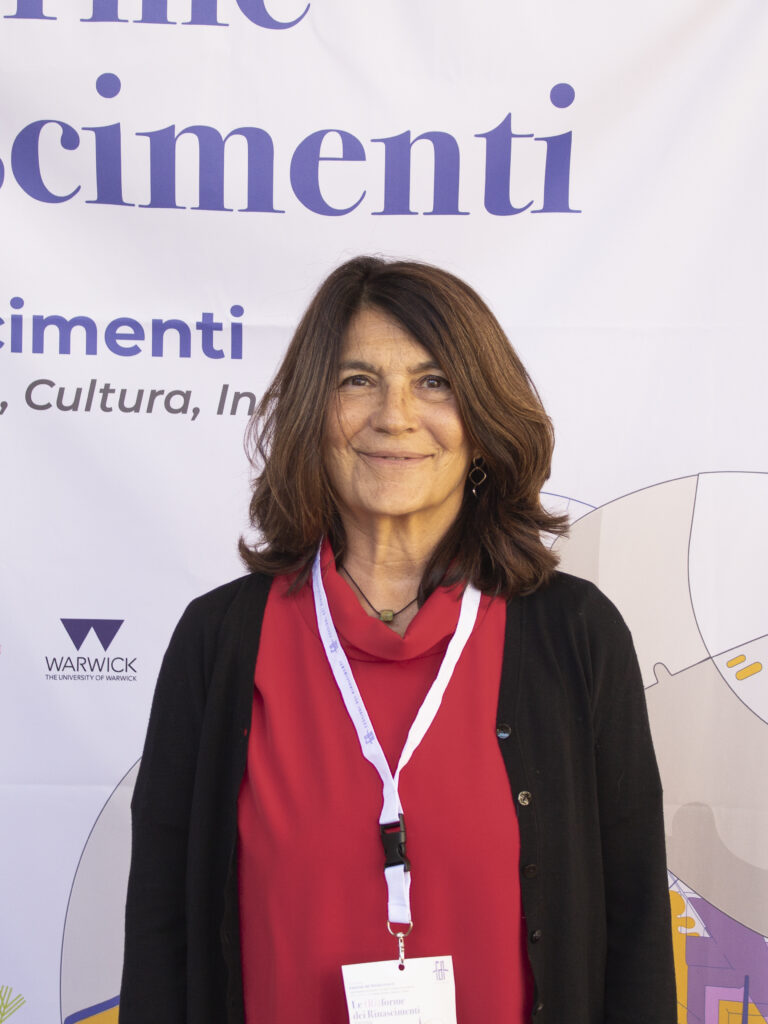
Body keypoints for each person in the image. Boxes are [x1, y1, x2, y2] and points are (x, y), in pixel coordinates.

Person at [119, 256, 676, 1024]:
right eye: (358, 381)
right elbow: (163, 934)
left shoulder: (576, 634)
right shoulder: (219, 642)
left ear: (483, 423)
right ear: (312, 412)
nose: (396, 415)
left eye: (434, 382)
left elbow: (637, 923)